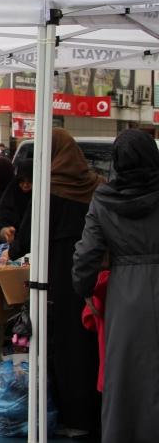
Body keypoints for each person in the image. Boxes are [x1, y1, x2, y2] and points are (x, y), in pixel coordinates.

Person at [7, 128, 102, 437]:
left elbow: (25, 238)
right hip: (91, 275)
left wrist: (12, 245)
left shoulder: (50, 191)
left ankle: (71, 417)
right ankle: (92, 413)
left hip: (57, 275)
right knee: (87, 343)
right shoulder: (93, 186)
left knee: (62, 343)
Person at [73, 129, 159, 443]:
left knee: (124, 378)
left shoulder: (105, 200)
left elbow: (87, 254)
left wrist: (83, 288)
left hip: (126, 295)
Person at [0, 160, 32, 244]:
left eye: (30, 181)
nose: (25, 185)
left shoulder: (41, 198)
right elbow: (1, 220)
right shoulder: (12, 193)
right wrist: (5, 232)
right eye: (22, 181)